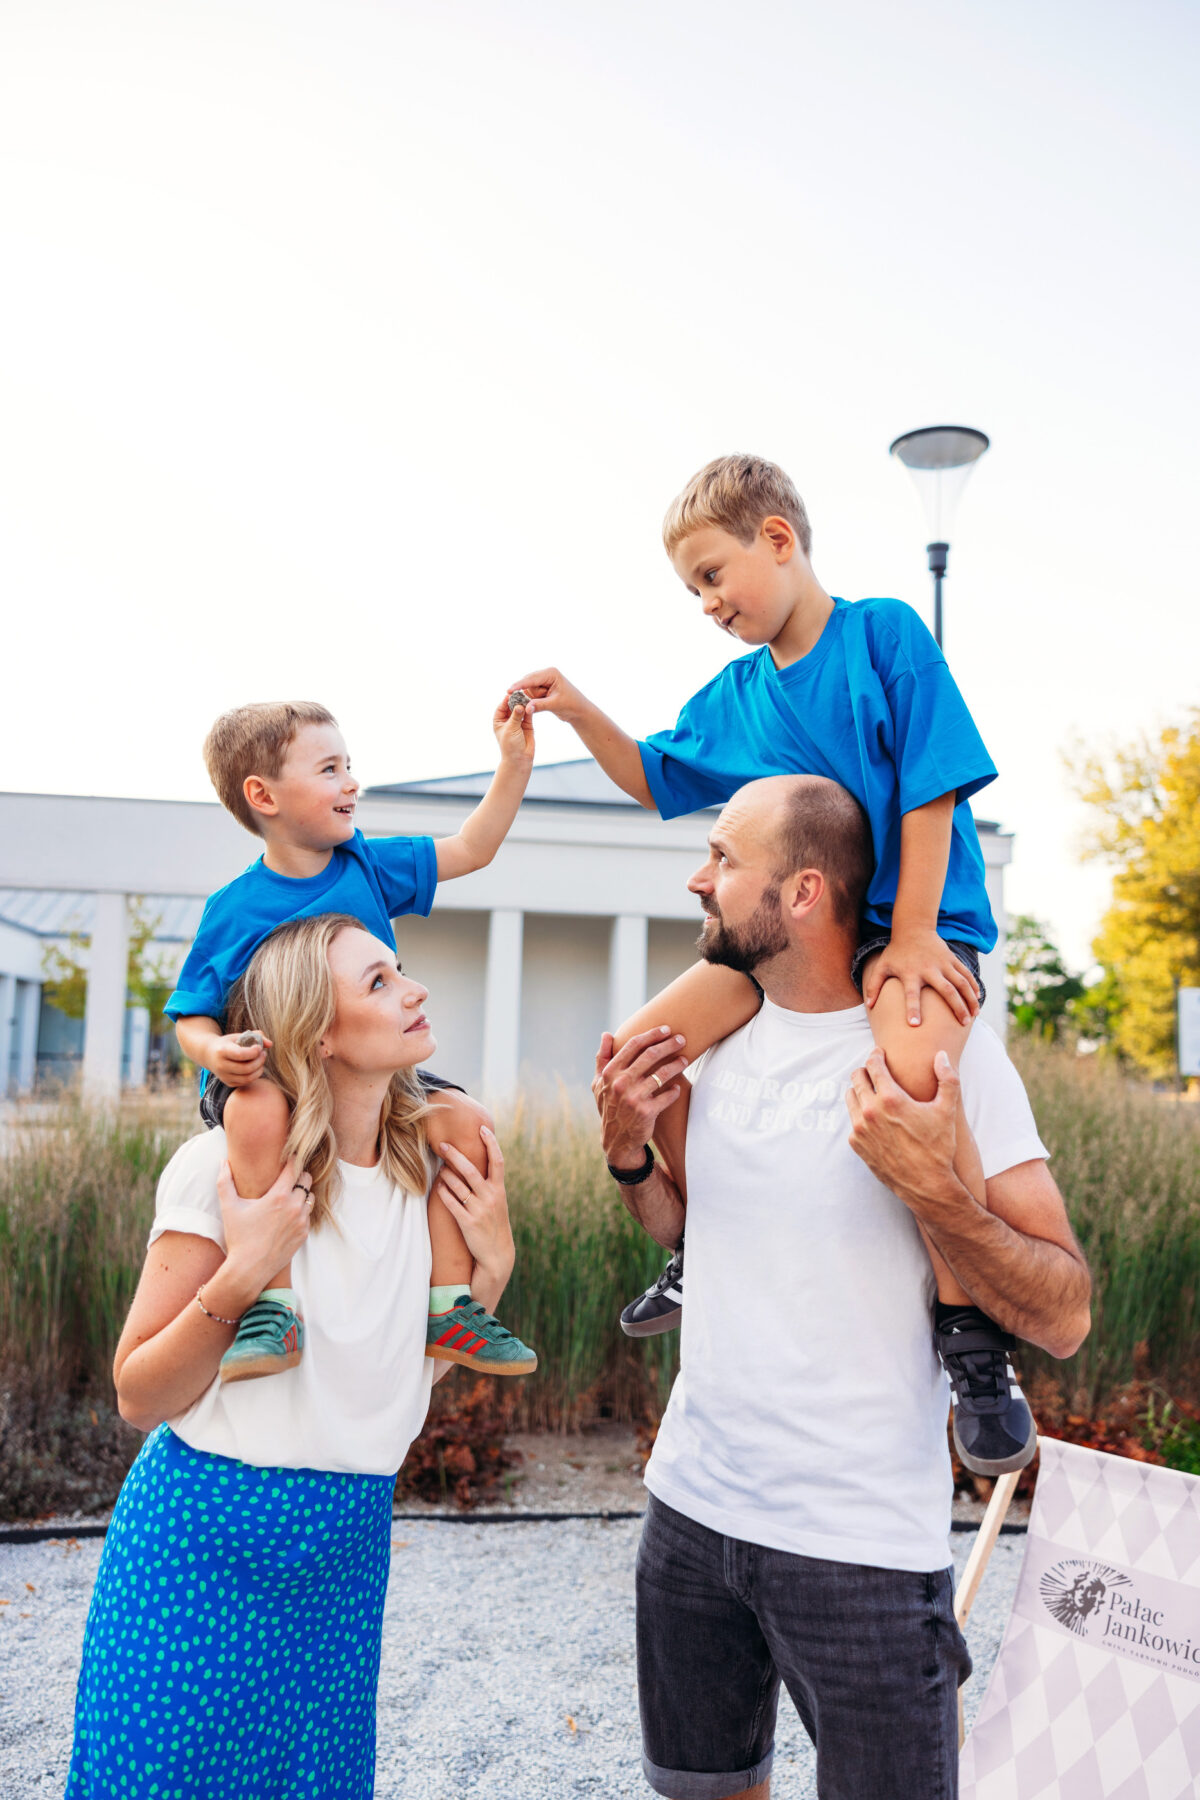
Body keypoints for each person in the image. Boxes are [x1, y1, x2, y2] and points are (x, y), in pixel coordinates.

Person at [510, 451, 1027, 1473]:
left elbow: (933, 790)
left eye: (712, 575)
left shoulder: (884, 637)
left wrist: (916, 935)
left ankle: (974, 1346)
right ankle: (702, 1251)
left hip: (912, 920)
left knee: (917, 1074)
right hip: (793, 931)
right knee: (639, 1052)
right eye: (689, 588)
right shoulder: (739, 693)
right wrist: (575, 710)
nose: (703, 601)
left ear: (778, 540)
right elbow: (655, 778)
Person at [593, 775, 1091, 1800]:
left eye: (725, 860)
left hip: (858, 1550)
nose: (699, 878)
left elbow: (1065, 1311)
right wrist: (631, 1156)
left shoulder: (944, 1060)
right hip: (689, 1511)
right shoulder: (712, 1049)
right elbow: (693, 1234)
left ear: (806, 893)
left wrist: (936, 1196)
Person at [66, 913, 518, 1799]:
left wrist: (492, 1270)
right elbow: (136, 1394)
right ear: (318, 1031)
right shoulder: (222, 1174)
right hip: (201, 1552)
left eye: (401, 971)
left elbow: (400, 1374)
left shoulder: (420, 1184)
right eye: (379, 983)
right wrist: (247, 1270)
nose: (413, 990)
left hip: (344, 1560)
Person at [167, 697, 535, 1383]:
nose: (351, 783)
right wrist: (218, 1054)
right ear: (263, 795)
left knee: (466, 1121)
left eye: (349, 766)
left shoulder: (365, 864)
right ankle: (272, 1309)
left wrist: (513, 765)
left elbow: (473, 847)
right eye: (330, 769)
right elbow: (191, 1013)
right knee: (259, 1110)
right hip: (272, 1076)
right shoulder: (235, 908)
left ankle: (449, 1303)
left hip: (370, 1071)